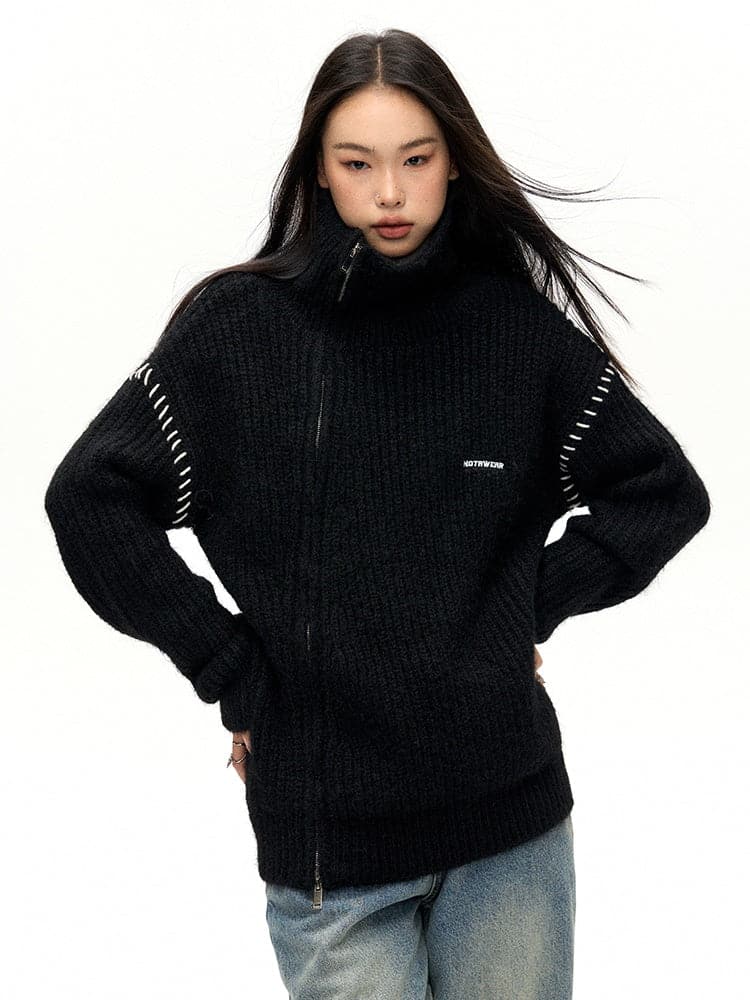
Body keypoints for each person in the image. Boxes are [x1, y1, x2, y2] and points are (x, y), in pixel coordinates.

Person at [43, 27, 711, 1000]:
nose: (389, 193)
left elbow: (661, 491)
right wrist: (233, 669)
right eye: (358, 163)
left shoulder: (515, 334)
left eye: (416, 160)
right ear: (319, 170)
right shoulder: (239, 335)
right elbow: (90, 498)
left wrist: (520, 607)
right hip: (334, 857)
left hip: (511, 833)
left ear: (454, 162)